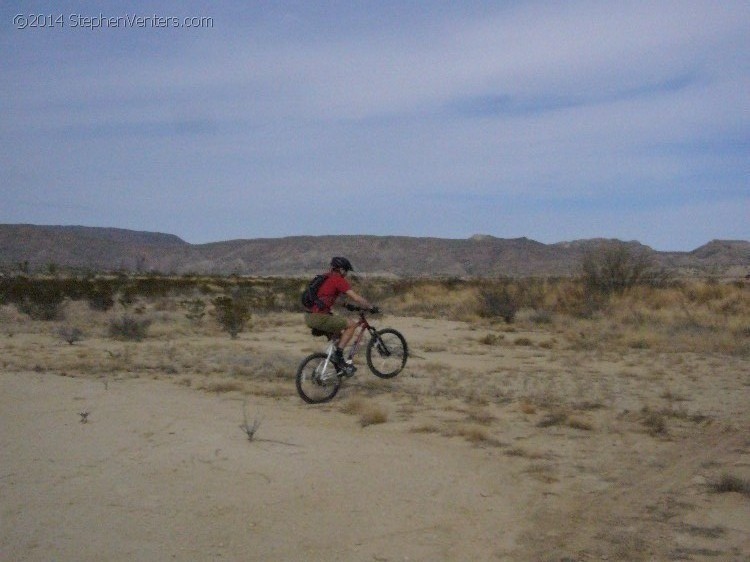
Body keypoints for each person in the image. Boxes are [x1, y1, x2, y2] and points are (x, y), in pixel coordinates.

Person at [304, 257, 375, 372]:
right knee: (352, 325)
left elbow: (329, 298)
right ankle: (338, 355)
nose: (346, 273)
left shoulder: (325, 278)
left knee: (338, 336)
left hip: (309, 316)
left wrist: (347, 306)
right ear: (341, 269)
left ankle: (338, 367)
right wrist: (371, 307)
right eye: (346, 270)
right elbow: (356, 297)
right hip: (319, 317)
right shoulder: (338, 279)